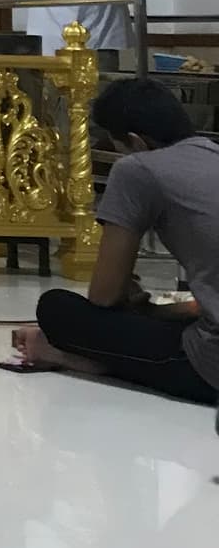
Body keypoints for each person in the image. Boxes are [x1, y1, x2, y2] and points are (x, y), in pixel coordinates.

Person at [12, 78, 219, 405]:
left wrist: (133, 302)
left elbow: (104, 296)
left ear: (135, 142)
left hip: (211, 368)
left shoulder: (137, 169)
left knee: (56, 308)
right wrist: (151, 311)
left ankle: (75, 357)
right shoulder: (212, 154)